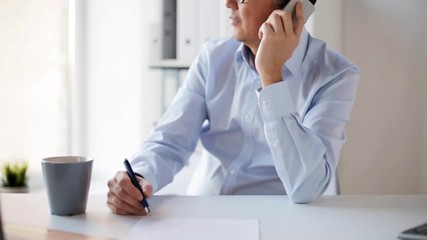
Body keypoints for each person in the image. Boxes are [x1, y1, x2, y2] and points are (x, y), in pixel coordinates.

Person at [107, 0, 359, 215]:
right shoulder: (212, 57)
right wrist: (138, 177)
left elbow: (307, 186)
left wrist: (271, 77)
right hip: (204, 212)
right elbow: (171, 141)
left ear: (292, 7)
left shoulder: (334, 75)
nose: (228, 3)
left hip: (278, 218)